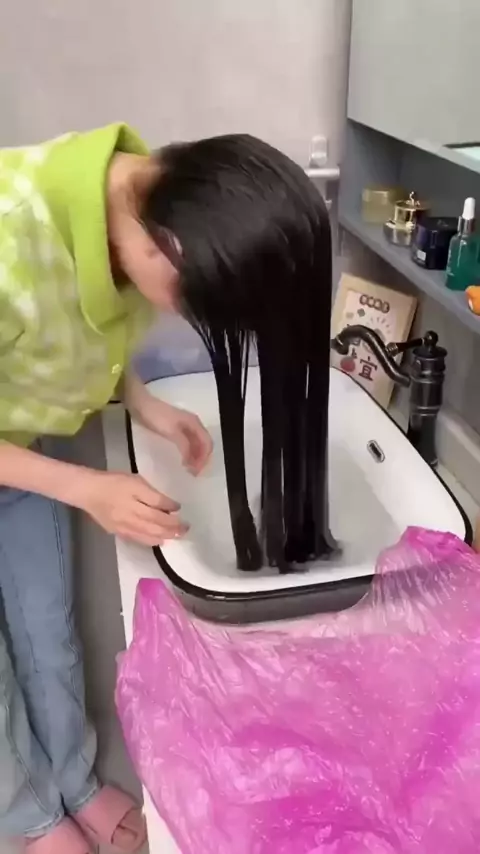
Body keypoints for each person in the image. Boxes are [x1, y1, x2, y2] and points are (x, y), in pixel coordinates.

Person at [0, 123, 215, 854]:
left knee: (45, 628)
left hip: (20, 441)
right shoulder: (10, 234)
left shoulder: (132, 198)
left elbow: (72, 331)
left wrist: (145, 404)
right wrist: (87, 487)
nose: (180, 312)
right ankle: (29, 814)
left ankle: (75, 779)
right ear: (162, 245)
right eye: (189, 294)